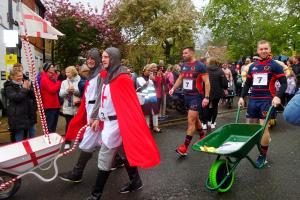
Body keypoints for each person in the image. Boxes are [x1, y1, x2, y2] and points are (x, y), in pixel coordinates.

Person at [87, 47, 160, 200]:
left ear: (114, 58)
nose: (104, 59)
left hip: (118, 124)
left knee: (104, 157)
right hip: (108, 123)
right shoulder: (106, 75)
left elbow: (129, 104)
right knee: (124, 152)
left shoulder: (123, 78)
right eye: (103, 57)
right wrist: (96, 117)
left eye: (106, 57)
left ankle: (96, 194)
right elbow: (101, 98)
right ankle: (136, 181)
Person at [238, 40, 287, 168]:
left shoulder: (275, 65)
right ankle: (264, 141)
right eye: (261, 49)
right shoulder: (253, 66)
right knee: (250, 128)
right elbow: (247, 83)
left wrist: (277, 96)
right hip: (253, 100)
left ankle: (263, 156)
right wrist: (241, 97)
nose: (263, 51)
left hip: (267, 100)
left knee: (263, 128)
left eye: (266, 48)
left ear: (269, 50)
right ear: (258, 51)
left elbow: (284, 83)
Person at [59, 48, 103, 183]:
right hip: (91, 113)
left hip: (98, 115)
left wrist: (96, 116)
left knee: (89, 143)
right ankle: (130, 173)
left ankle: (77, 173)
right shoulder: (92, 74)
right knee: (111, 144)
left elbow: (101, 96)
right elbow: (89, 94)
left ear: (98, 59)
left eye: (92, 58)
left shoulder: (101, 74)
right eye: (88, 58)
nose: (90, 60)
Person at [169, 46, 210, 156]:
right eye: (183, 53)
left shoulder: (200, 66)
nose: (183, 55)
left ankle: (184, 148)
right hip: (186, 96)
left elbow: (206, 82)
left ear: (192, 53)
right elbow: (180, 78)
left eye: (185, 53)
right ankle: (202, 136)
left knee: (191, 121)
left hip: (196, 97)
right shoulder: (184, 66)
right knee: (195, 118)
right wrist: (173, 88)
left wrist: (206, 97)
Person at [4, 69, 33, 142]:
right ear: (12, 77)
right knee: (19, 138)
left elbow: (32, 97)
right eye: (18, 76)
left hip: (25, 115)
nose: (21, 77)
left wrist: (29, 88)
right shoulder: (9, 87)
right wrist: (24, 89)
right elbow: (17, 98)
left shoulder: (23, 84)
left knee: (25, 138)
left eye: (21, 75)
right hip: (16, 117)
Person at [202, 57, 228, 129]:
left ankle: (204, 123)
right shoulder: (220, 70)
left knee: (205, 107)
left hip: (206, 91)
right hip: (217, 91)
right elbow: (225, 83)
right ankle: (212, 123)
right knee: (215, 106)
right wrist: (225, 88)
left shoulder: (205, 69)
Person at [59, 66, 81, 149]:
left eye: (68, 72)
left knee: (79, 123)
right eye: (66, 72)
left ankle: (80, 139)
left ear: (73, 72)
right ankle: (68, 141)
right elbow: (60, 94)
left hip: (78, 106)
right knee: (68, 124)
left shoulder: (80, 81)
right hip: (68, 106)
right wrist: (67, 90)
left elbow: (83, 92)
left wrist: (75, 91)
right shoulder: (64, 82)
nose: (66, 74)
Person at [136, 64, 161, 133]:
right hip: (145, 99)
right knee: (146, 114)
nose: (150, 72)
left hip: (153, 98)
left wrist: (154, 80)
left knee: (155, 113)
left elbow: (156, 87)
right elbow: (139, 89)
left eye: (150, 71)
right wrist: (148, 82)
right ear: (144, 71)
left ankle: (155, 127)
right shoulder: (139, 79)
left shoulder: (152, 78)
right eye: (148, 70)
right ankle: (147, 127)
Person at [40, 62, 62, 133]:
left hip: (54, 105)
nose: (54, 68)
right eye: (52, 67)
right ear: (48, 69)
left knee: (53, 127)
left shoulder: (50, 77)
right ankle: (49, 142)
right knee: (50, 127)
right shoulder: (44, 79)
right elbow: (52, 90)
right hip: (50, 106)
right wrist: (59, 82)